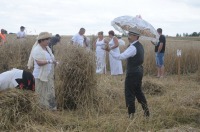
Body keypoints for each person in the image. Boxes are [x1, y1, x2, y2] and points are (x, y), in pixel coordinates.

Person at [104, 27, 150, 118]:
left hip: (133, 73)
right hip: (139, 71)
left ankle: (131, 115)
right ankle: (146, 112)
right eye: (128, 34)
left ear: (136, 36)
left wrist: (109, 51)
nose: (128, 36)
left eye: (130, 35)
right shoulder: (140, 46)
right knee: (138, 92)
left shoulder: (133, 47)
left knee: (129, 93)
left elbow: (120, 57)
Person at [27, 32, 57, 110]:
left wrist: (55, 62)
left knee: (48, 91)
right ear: (41, 40)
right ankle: (41, 109)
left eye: (49, 39)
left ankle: (49, 108)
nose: (49, 41)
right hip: (40, 75)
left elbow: (51, 58)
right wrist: (50, 61)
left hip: (48, 74)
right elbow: (39, 62)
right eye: (47, 39)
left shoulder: (47, 48)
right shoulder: (37, 49)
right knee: (40, 93)